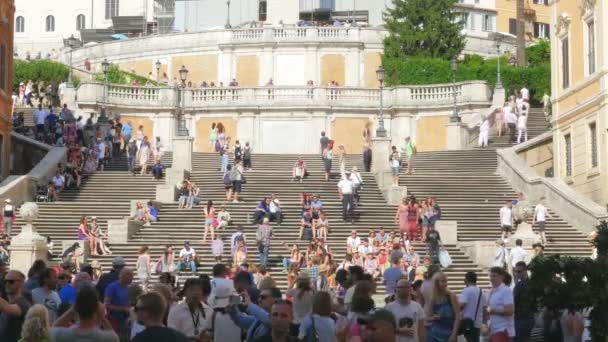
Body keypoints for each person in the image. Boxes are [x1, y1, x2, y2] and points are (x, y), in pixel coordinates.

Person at [52, 287, 118, 341]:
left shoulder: (62, 335)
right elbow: (115, 336)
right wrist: (102, 317)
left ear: (76, 308)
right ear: (96, 309)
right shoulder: (107, 338)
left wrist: (72, 310)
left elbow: (53, 328)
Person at [426, 272, 460, 342]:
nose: (445, 284)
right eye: (442, 281)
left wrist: (454, 334)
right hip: (433, 334)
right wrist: (433, 317)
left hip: (449, 334)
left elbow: (458, 316)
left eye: (446, 281)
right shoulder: (432, 297)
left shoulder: (451, 296)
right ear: (436, 283)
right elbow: (428, 318)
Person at [0, 270, 31, 342]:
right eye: (5, 281)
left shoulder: (24, 303)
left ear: (22, 283)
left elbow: (8, 309)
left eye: (11, 281)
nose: (7, 284)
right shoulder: (7, 302)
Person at [104, 268, 134, 338]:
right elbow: (107, 305)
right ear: (122, 276)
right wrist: (123, 309)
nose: (132, 278)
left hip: (127, 319)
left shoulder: (129, 288)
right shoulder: (112, 287)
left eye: (132, 275)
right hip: (114, 320)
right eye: (130, 276)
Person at [487, 267, 515, 341]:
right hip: (494, 330)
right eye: (490, 276)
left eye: (494, 276)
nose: (491, 278)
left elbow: (510, 311)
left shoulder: (506, 290)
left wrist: (493, 311)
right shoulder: (492, 291)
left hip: (503, 330)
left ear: (501, 277)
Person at [458, 272, 486, 342]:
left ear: (466, 280)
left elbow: (461, 305)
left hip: (468, 323)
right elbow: (484, 309)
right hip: (477, 323)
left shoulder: (466, 290)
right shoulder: (481, 292)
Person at [513, 262, 535, 342]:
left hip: (520, 319)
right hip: (530, 317)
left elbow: (513, 302)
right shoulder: (532, 283)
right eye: (516, 271)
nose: (517, 273)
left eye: (519, 271)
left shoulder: (520, 285)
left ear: (525, 271)